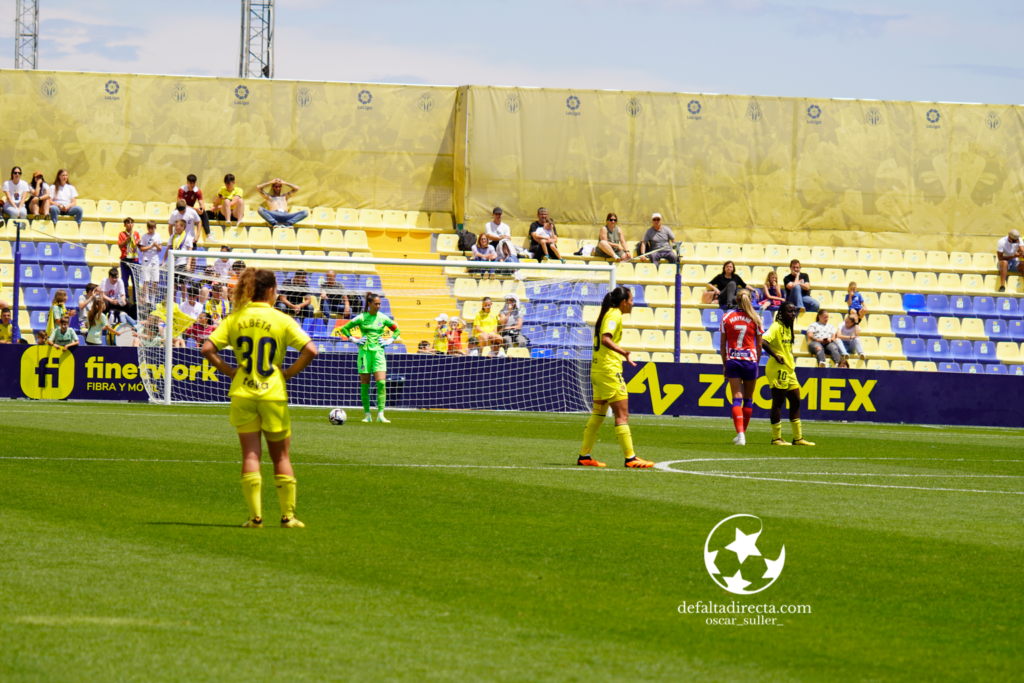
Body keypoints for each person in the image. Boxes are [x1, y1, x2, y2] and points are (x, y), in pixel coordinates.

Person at [202, 267, 318, 529]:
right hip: (273, 393)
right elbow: (311, 350)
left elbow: (207, 348)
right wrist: (287, 373)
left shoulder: (235, 318)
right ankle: (288, 517)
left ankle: (255, 518)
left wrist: (231, 371)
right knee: (281, 457)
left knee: (251, 455)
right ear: (270, 291)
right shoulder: (282, 319)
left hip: (243, 392)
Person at [577, 286, 653, 468]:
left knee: (598, 414)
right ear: (623, 302)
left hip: (598, 370)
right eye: (631, 300)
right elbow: (606, 338)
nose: (633, 304)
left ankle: (584, 456)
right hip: (609, 372)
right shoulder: (614, 314)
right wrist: (623, 352)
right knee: (622, 415)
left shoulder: (608, 313)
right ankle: (630, 458)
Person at [339, 292, 403, 423]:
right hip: (364, 353)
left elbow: (397, 330)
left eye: (379, 304)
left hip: (379, 352)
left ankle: (380, 414)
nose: (378, 306)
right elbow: (344, 328)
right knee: (365, 386)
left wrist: (389, 341)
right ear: (369, 304)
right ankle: (367, 414)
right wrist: (354, 339)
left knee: (381, 383)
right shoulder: (361, 317)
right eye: (376, 304)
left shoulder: (384, 318)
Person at [761, 302, 814, 446]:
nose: (793, 314)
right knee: (778, 402)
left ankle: (798, 438)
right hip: (777, 369)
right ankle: (776, 438)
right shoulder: (776, 326)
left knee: (796, 401)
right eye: (790, 311)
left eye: (794, 311)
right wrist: (775, 355)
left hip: (789, 368)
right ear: (781, 313)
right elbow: (762, 341)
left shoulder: (788, 327)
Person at [720, 290, 763, 446]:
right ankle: (742, 433)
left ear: (736, 300)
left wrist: (725, 364)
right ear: (750, 300)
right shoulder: (756, 318)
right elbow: (759, 345)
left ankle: (740, 435)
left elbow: (722, 344)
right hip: (750, 360)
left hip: (732, 359)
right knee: (748, 399)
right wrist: (756, 363)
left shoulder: (726, 317)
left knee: (736, 398)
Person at [138, 220, 162, 305]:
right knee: (146, 279)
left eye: (152, 228)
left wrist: (155, 245)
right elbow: (141, 249)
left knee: (155, 280)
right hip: (146, 258)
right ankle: (147, 298)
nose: (151, 230)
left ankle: (153, 300)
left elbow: (160, 248)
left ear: (155, 228)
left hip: (155, 258)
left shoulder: (158, 235)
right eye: (149, 228)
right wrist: (151, 246)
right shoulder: (144, 236)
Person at [118, 217, 141, 309]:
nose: (130, 224)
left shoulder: (136, 234)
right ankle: (126, 300)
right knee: (124, 282)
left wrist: (139, 242)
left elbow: (138, 245)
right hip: (125, 259)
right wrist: (127, 239)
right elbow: (120, 246)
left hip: (134, 260)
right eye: (128, 223)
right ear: (125, 225)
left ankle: (136, 301)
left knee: (135, 282)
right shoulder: (122, 234)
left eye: (131, 223)